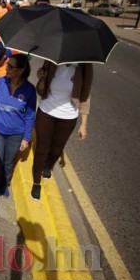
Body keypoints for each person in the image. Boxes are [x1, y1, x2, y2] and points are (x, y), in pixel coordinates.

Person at [31, 61, 93, 200]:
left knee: (57, 149)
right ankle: (36, 182)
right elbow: (40, 90)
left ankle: (48, 165)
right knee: (42, 149)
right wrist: (42, 77)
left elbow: (86, 96)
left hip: (68, 116)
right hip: (46, 111)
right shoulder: (52, 61)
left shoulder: (84, 67)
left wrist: (84, 125)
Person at [0, 54, 36, 197]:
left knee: (8, 162)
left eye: (11, 67)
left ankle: (4, 184)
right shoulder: (0, 83)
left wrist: (26, 138)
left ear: (20, 70)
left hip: (16, 134)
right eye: (7, 64)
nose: (6, 68)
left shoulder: (30, 90)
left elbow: (30, 115)